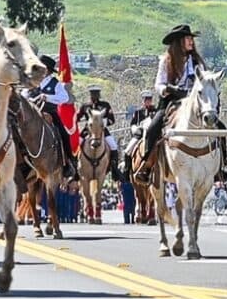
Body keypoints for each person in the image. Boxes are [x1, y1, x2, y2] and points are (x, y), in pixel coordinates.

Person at [133, 25, 206, 183]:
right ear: (179, 41)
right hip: (171, 102)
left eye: (191, 38)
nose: (191, 41)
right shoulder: (166, 60)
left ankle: (222, 165)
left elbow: (204, 80)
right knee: (153, 127)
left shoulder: (197, 61)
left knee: (219, 125)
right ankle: (147, 164)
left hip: (194, 102)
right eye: (188, 38)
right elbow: (158, 85)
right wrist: (170, 89)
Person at [21, 54, 79, 181]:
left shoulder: (55, 84)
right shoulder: (31, 81)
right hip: (31, 113)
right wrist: (30, 99)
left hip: (49, 113)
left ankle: (69, 162)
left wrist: (48, 97)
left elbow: (65, 97)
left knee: (64, 133)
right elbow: (23, 95)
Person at [76, 85, 120, 154]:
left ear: (99, 95)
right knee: (76, 145)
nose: (94, 96)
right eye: (93, 93)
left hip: (102, 130)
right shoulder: (85, 106)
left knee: (113, 146)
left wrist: (103, 123)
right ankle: (74, 163)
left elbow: (112, 120)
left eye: (96, 93)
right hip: (87, 131)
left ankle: (113, 163)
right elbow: (77, 118)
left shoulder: (105, 105)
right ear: (90, 94)